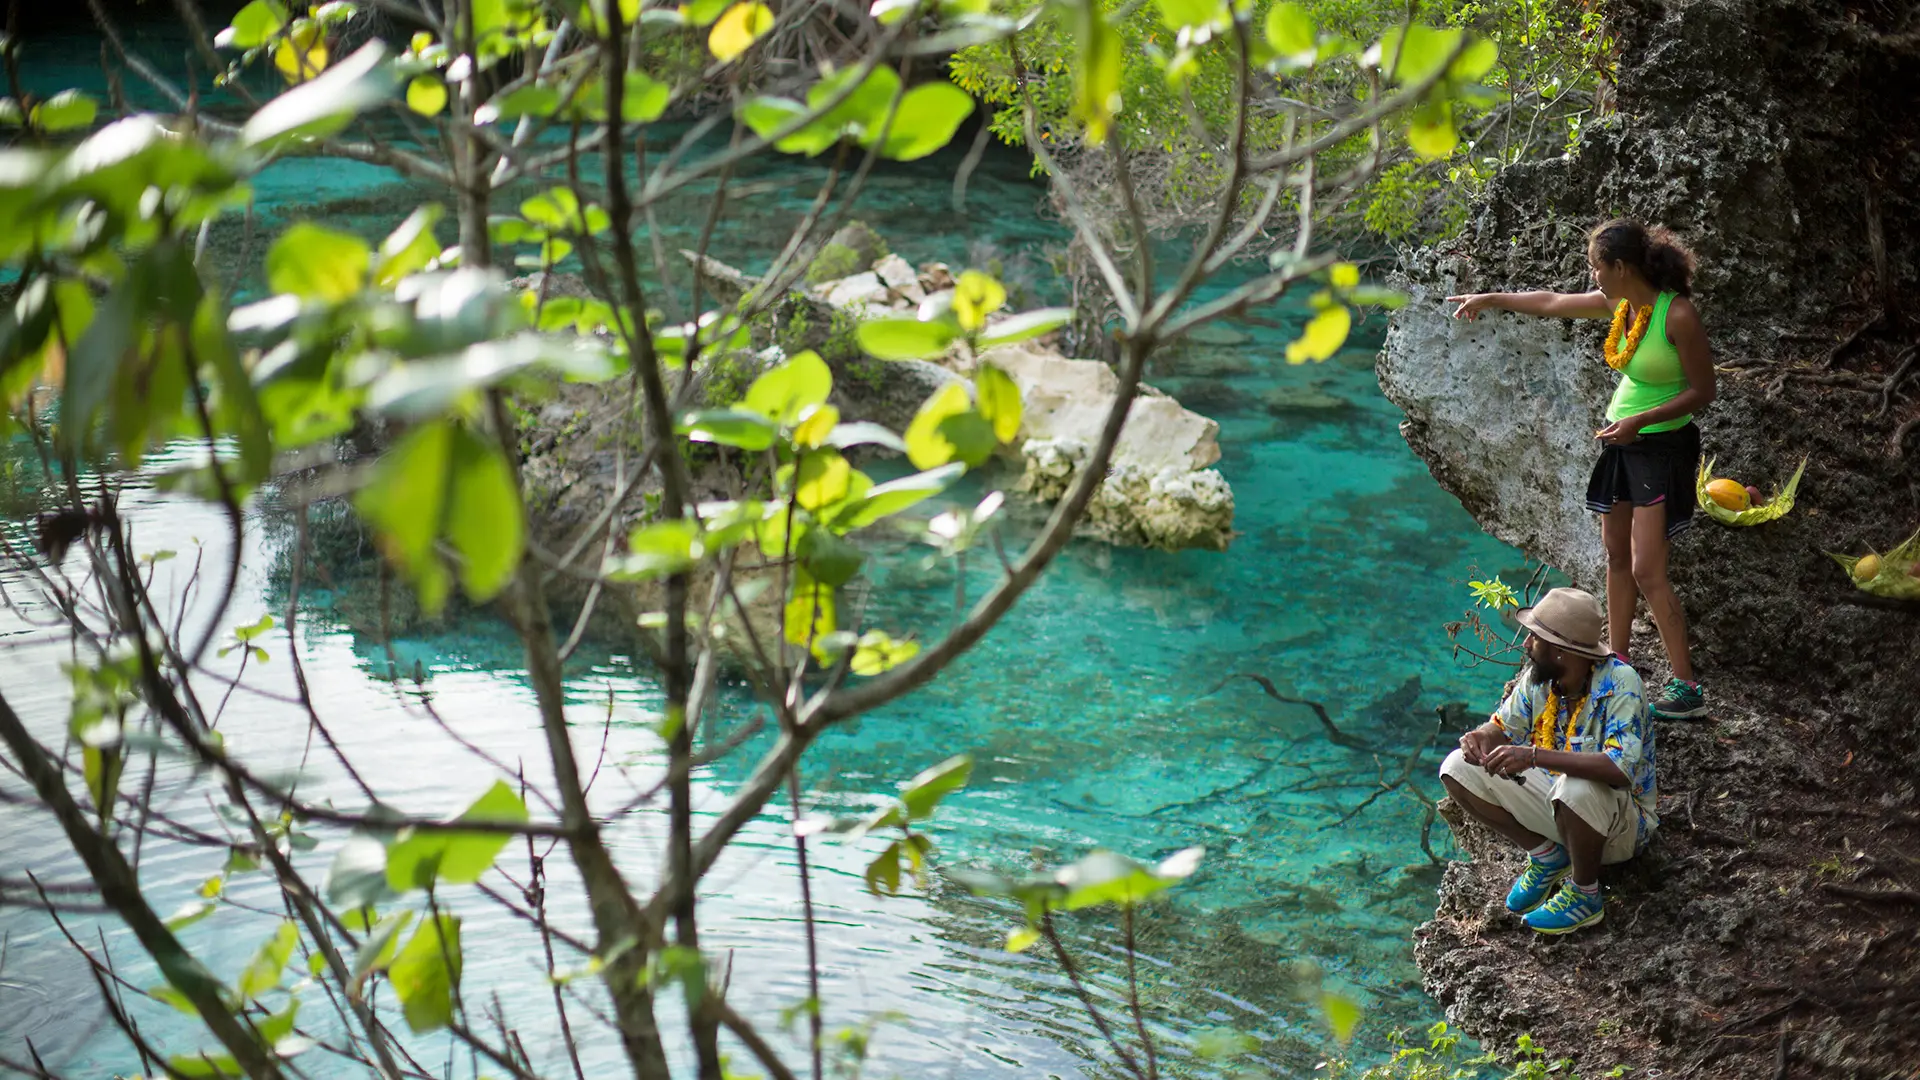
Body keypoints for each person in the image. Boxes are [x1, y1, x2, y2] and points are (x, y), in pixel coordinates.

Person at [1445, 219, 1716, 720]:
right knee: (1614, 557)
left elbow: (1703, 392)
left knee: (1647, 570)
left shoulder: (1676, 315)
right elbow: (1551, 302)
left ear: (1621, 266)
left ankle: (1687, 688)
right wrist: (1491, 298)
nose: (1591, 276)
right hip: (1623, 444)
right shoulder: (1622, 307)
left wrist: (1642, 420)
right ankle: (1617, 662)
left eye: (1596, 266)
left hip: (1661, 447)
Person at [1438, 587, 1657, 934]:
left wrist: (1534, 756)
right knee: (1456, 768)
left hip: (1620, 826)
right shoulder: (1542, 680)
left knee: (1577, 786)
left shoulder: (1621, 685)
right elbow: (1501, 727)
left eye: (1534, 638)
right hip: (1561, 802)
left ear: (1560, 652)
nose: (1525, 644)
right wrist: (1480, 737)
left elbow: (1619, 768)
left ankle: (1585, 895)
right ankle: (1547, 856)